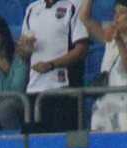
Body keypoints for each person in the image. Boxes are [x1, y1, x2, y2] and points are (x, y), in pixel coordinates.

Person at [19, 0, 88, 132]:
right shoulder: (32, 8)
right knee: (33, 141)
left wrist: (52, 65)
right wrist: (24, 49)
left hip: (63, 90)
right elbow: (23, 54)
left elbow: (81, 49)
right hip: (34, 88)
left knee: (60, 140)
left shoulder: (73, 6)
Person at [86, 0, 127, 131]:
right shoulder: (110, 40)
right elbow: (85, 18)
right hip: (104, 111)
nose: (116, 17)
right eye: (115, 12)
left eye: (122, 12)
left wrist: (119, 40)